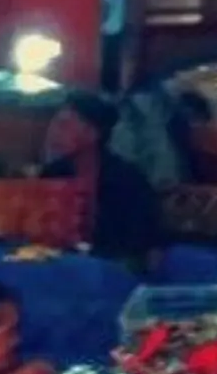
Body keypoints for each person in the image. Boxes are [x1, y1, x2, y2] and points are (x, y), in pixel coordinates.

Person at [42, 90, 160, 267]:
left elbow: (146, 245)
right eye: (54, 124)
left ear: (92, 134)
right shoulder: (52, 174)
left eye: (65, 126)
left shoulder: (128, 180)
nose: (54, 132)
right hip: (62, 266)